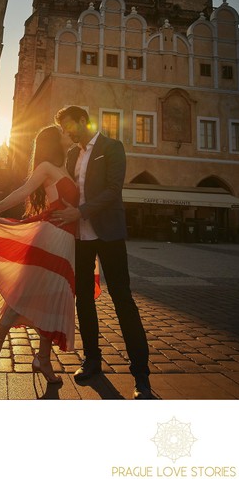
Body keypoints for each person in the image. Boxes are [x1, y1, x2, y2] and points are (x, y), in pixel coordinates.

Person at [0, 125, 80, 385]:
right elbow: (23, 191)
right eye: (64, 132)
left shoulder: (66, 168)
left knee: (53, 298)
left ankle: (41, 358)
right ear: (56, 140)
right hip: (50, 238)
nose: (69, 134)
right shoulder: (46, 167)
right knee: (27, 294)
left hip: (65, 242)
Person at [52, 105, 153, 400]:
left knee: (123, 299)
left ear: (83, 121)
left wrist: (80, 211)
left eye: (69, 126)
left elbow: (112, 190)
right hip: (81, 237)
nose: (66, 132)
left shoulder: (111, 147)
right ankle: (92, 361)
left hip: (108, 233)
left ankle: (141, 376)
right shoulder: (72, 155)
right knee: (83, 299)